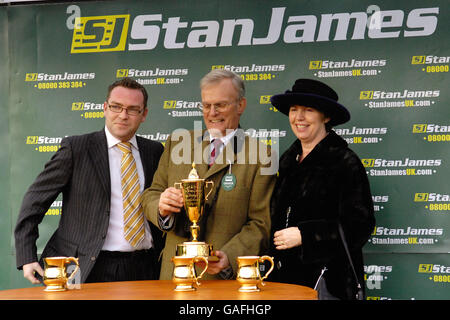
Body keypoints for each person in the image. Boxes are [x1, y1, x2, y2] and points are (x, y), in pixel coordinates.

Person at [15, 77, 164, 284]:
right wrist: (27, 256)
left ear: (144, 114)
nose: (123, 115)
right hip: (84, 268)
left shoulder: (155, 151)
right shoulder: (76, 149)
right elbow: (35, 201)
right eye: (116, 107)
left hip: (145, 267)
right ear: (104, 108)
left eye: (132, 109)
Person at [142, 69, 276, 280]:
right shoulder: (178, 143)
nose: (212, 112)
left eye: (220, 105)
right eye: (206, 105)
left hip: (221, 280)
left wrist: (229, 257)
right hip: (174, 276)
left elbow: (260, 223)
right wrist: (161, 206)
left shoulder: (261, 155)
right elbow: (151, 193)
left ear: (241, 105)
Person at [268, 78, 375, 300]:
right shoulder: (288, 161)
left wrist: (306, 235)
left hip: (329, 285)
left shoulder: (344, 161)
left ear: (326, 117)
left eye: (308, 110)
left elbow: (360, 225)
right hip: (283, 283)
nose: (299, 117)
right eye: (294, 109)